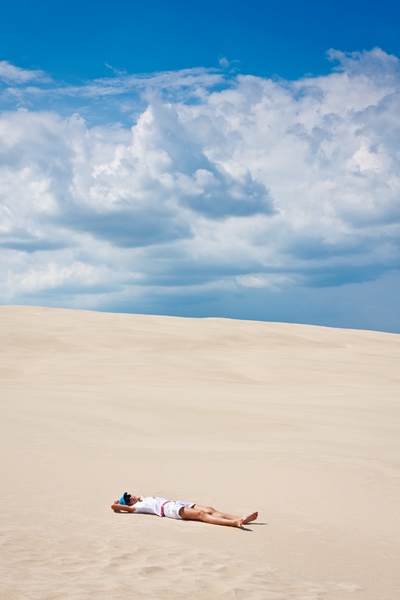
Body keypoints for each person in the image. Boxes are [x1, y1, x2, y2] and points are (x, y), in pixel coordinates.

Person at [111, 492, 258, 528]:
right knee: (201, 514)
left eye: (129, 495)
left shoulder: (143, 499)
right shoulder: (135, 507)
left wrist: (133, 497)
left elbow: (141, 495)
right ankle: (233, 523)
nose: (131, 497)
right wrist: (119, 503)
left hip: (175, 502)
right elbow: (114, 507)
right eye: (128, 498)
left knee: (208, 508)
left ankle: (240, 517)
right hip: (168, 509)